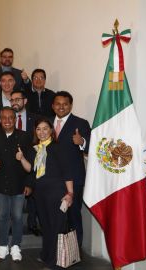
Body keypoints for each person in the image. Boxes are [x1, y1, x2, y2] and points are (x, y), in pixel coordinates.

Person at [0, 107, 32, 262]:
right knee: (3, 216)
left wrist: (29, 184)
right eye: (4, 118)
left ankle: (16, 246)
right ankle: (3, 245)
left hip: (19, 184)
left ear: (15, 119)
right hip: (0, 184)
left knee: (18, 217)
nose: (7, 120)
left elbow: (31, 163)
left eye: (10, 117)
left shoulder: (25, 137)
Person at [29, 117, 74, 269]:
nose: (42, 132)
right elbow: (33, 171)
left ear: (51, 131)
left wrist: (70, 193)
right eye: (38, 129)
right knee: (46, 226)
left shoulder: (57, 147)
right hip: (40, 193)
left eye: (45, 129)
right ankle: (46, 255)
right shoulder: (37, 148)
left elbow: (68, 171)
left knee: (56, 227)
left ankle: (54, 261)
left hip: (56, 193)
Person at [51, 91, 91, 248]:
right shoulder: (46, 123)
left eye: (65, 104)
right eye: (58, 104)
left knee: (73, 215)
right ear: (53, 106)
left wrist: (82, 142)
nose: (61, 107)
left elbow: (92, 146)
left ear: (70, 105)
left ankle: (74, 251)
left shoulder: (81, 123)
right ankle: (54, 250)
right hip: (52, 179)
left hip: (74, 178)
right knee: (54, 216)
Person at [10, 90, 41, 235]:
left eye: (18, 99)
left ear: (25, 101)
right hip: (13, 162)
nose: (15, 102)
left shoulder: (36, 119)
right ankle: (13, 224)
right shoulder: (7, 119)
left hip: (31, 160)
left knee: (33, 194)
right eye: (12, 100)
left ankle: (32, 223)